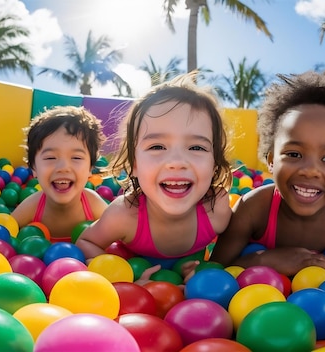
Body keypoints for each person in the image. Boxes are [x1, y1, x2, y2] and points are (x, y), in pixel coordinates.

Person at [210, 70, 325, 277]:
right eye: (294, 154)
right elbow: (216, 271)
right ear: (272, 160)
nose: (310, 170)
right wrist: (264, 259)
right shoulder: (252, 209)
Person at [76, 71, 233, 280]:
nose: (177, 162)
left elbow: (235, 250)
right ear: (134, 165)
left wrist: (207, 270)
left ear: (214, 165)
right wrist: (124, 277)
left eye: (196, 147)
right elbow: (86, 243)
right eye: (157, 146)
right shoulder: (124, 214)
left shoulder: (217, 209)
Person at [11, 105, 108, 242]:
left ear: (90, 168)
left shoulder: (94, 205)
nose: (63, 168)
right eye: (50, 157)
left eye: (76, 158)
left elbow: (120, 236)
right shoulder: (32, 206)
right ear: (34, 168)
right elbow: (5, 233)